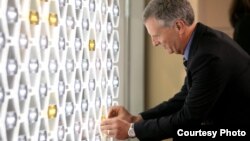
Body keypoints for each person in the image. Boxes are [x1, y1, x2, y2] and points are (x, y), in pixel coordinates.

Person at [101, 0, 250, 140]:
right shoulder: (203, 43)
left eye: (156, 36)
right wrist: (137, 119)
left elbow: (188, 119)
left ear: (178, 26)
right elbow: (183, 98)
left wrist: (131, 130)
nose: (154, 43)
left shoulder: (207, 56)